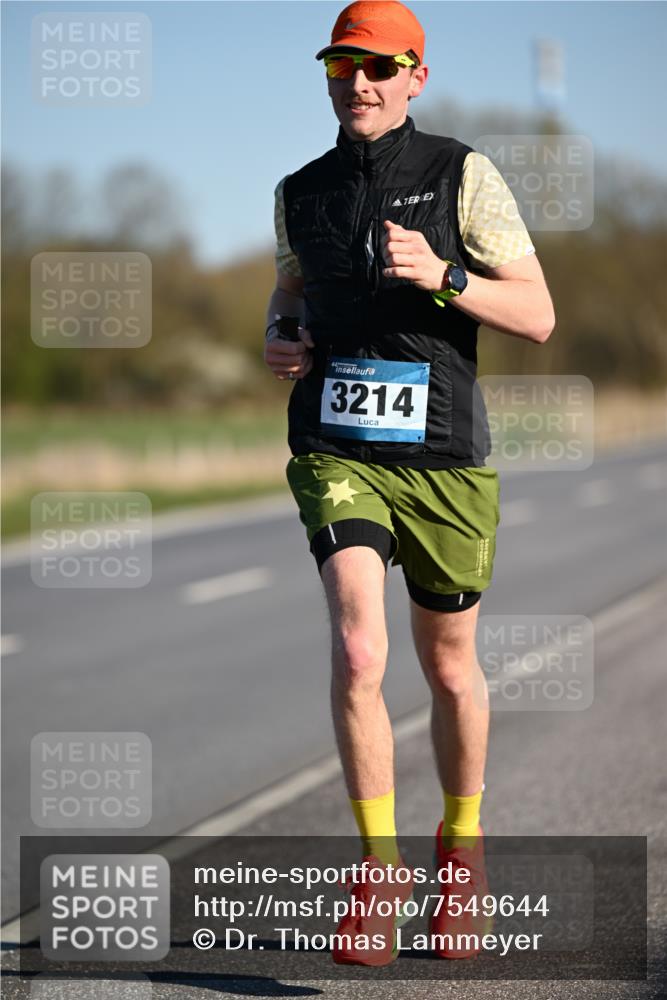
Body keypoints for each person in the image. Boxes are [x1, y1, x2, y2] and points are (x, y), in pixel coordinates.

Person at [264, 0, 554, 967]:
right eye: (343, 67)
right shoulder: (298, 191)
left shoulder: (461, 172)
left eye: (379, 68)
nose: (359, 84)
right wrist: (281, 335)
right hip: (336, 448)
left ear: (414, 76)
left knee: (447, 668)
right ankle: (376, 875)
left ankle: (458, 856)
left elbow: (539, 314)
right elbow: (289, 291)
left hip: (444, 457)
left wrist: (442, 276)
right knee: (356, 650)